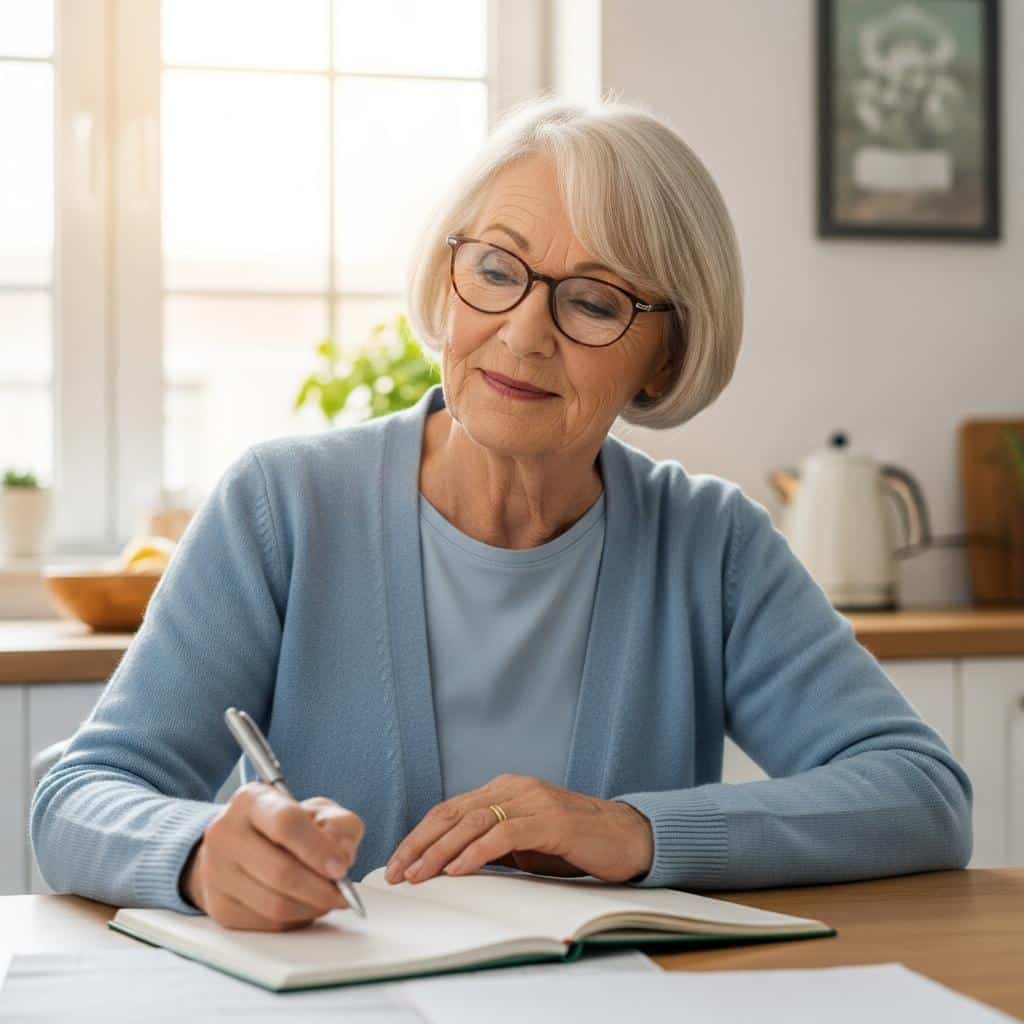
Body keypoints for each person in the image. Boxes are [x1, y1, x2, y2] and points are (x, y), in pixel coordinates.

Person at [30, 95, 972, 933]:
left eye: (594, 301)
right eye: (496, 269)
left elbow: (922, 794)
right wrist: (200, 854)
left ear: (663, 356)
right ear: (448, 280)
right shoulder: (284, 506)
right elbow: (78, 795)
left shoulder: (710, 544)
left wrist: (635, 830)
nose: (523, 332)